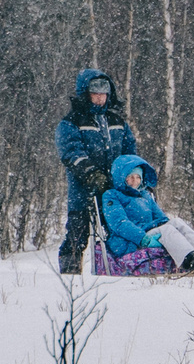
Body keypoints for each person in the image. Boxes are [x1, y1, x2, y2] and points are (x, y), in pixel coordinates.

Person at [56, 69, 136, 275]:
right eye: (95, 92)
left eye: (104, 92)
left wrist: (133, 172)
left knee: (120, 230)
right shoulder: (72, 122)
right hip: (83, 190)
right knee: (78, 233)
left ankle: (121, 270)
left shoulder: (117, 122)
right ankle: (70, 275)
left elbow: (129, 152)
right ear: (85, 93)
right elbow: (72, 153)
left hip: (114, 190)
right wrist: (91, 173)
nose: (100, 97)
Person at [99, 156, 194, 272]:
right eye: (130, 177)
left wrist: (168, 226)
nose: (135, 181)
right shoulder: (112, 195)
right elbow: (119, 224)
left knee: (176, 222)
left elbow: (161, 218)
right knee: (166, 230)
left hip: (149, 231)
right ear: (122, 178)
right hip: (128, 240)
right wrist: (143, 239)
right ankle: (189, 259)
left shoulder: (145, 195)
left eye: (138, 177)